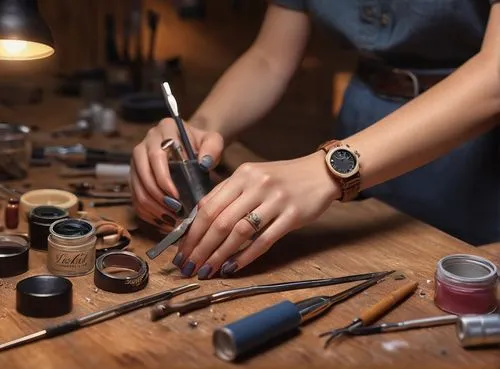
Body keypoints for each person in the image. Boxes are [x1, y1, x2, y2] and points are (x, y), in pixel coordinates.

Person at [130, 1, 500, 280]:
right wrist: (197, 130)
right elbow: (270, 57)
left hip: (474, 148)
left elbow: (494, 75)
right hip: (365, 116)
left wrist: (327, 171)